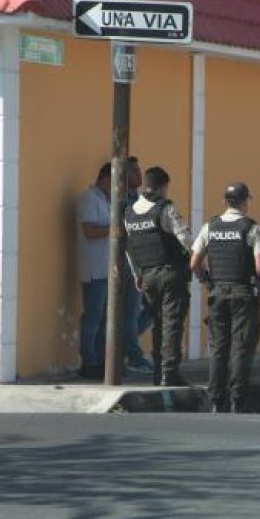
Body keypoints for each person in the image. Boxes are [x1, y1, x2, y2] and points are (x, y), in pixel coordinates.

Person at [190, 182, 260, 413]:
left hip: (217, 294)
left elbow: (194, 263)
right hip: (243, 294)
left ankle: (216, 400)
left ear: (225, 202)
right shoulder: (252, 229)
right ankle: (237, 400)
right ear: (245, 202)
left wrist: (207, 281)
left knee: (218, 347)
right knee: (241, 347)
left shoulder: (209, 227)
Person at [124, 166, 193, 386]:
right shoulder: (165, 208)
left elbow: (130, 248)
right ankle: (169, 374)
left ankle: (158, 373)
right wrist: (198, 260)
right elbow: (186, 239)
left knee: (158, 324)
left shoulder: (130, 212)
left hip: (146, 276)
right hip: (170, 273)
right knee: (172, 324)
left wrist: (137, 274)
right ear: (163, 186)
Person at [76, 162, 113, 379]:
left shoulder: (107, 200)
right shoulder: (89, 199)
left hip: (107, 269)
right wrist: (115, 229)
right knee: (93, 316)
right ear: (106, 178)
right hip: (93, 268)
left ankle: (100, 360)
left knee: (104, 318)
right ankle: (88, 361)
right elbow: (89, 231)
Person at [121, 157, 155, 375]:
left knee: (151, 308)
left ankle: (126, 343)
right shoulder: (122, 200)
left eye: (139, 170)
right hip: (127, 262)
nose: (139, 175)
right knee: (131, 311)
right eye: (134, 171)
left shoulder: (139, 199)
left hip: (143, 261)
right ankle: (134, 355)